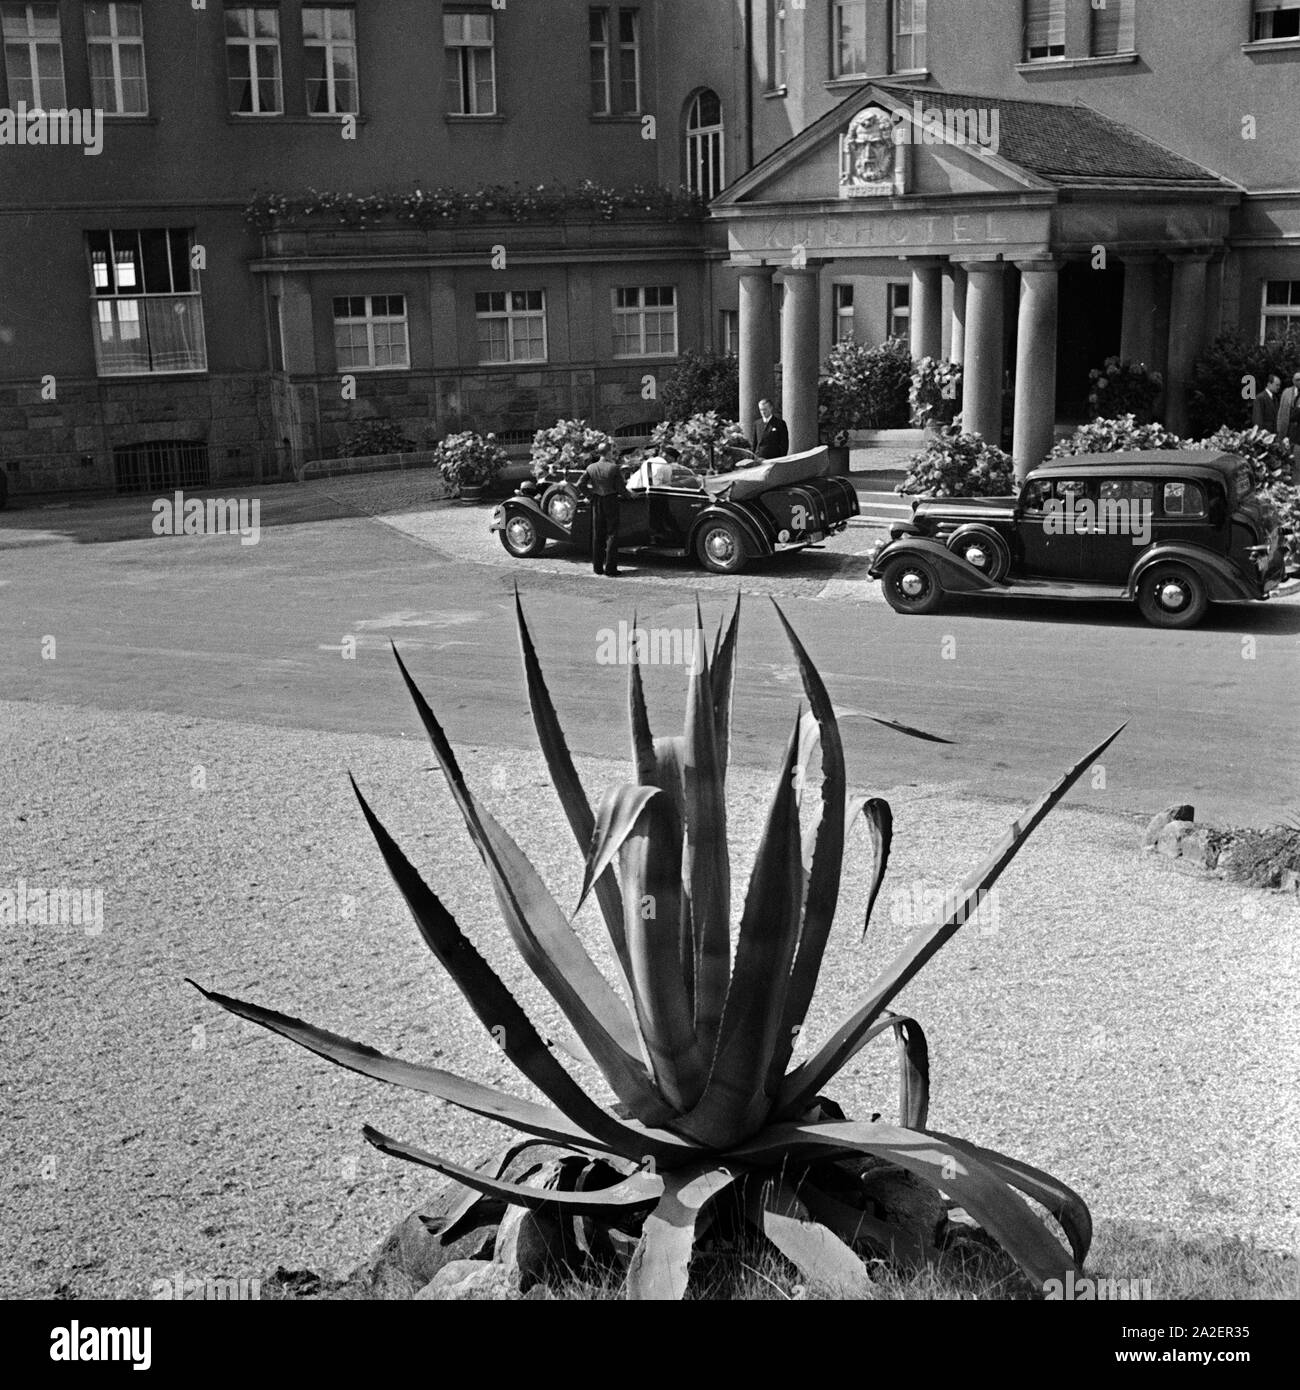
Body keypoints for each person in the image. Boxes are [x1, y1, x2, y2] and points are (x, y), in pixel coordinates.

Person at [578, 441, 629, 576]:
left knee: (598, 534)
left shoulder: (591, 467)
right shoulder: (614, 468)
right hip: (611, 500)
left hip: (597, 501)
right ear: (608, 453)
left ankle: (597, 567)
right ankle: (611, 569)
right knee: (612, 534)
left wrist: (590, 496)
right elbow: (621, 489)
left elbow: (580, 484)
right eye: (612, 451)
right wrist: (631, 495)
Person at [1278, 372, 1300, 481]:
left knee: (1297, 455)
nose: (1299, 382)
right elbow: (1281, 410)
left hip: (1298, 428)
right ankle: (1288, 477)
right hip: (1287, 427)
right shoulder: (1286, 392)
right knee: (1285, 454)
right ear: (1293, 381)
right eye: (1297, 379)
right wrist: (1279, 428)